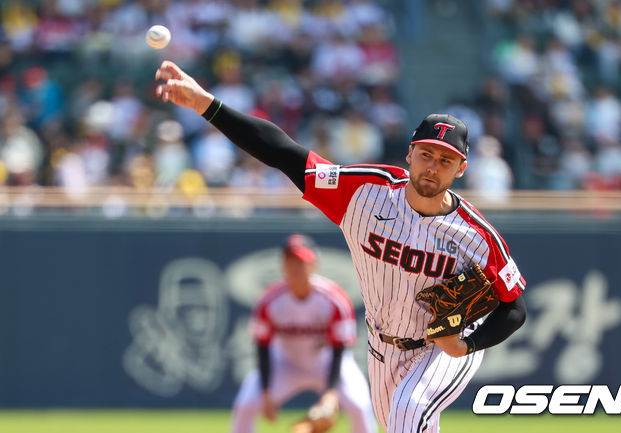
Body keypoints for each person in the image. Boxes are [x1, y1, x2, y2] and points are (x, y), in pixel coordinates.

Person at [155, 60, 527, 433]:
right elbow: (283, 152)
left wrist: (467, 345)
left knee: (409, 411)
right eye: (426, 154)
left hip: (442, 347)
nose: (433, 167)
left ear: (460, 168)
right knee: (404, 424)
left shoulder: (476, 235)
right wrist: (205, 104)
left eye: (445, 160)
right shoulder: (364, 192)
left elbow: (514, 309)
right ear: (410, 153)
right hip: (382, 347)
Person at [230, 234, 377, 433]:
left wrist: (331, 392)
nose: (296, 268)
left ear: (314, 264)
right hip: (285, 363)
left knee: (359, 405)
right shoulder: (268, 301)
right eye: (291, 261)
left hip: (327, 362)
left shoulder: (334, 299)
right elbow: (262, 346)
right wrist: (266, 392)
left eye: (302, 262)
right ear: (283, 265)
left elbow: (339, 348)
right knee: (246, 405)